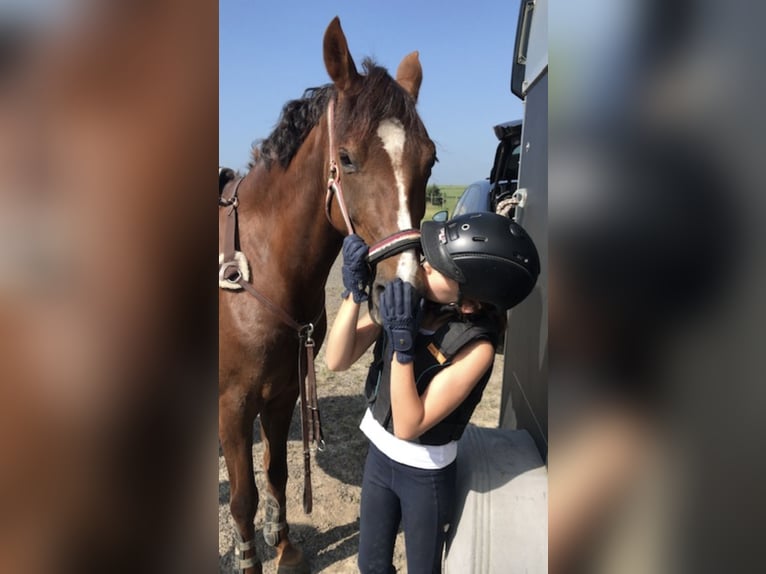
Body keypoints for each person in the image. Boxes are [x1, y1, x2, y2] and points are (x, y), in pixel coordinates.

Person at [326, 212, 540, 573]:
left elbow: (411, 424)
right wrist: (352, 292)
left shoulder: (477, 349)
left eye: (437, 268)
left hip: (424, 475)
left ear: (469, 302)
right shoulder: (411, 306)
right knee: (371, 564)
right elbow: (336, 359)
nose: (421, 267)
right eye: (427, 258)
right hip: (380, 457)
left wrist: (402, 344)